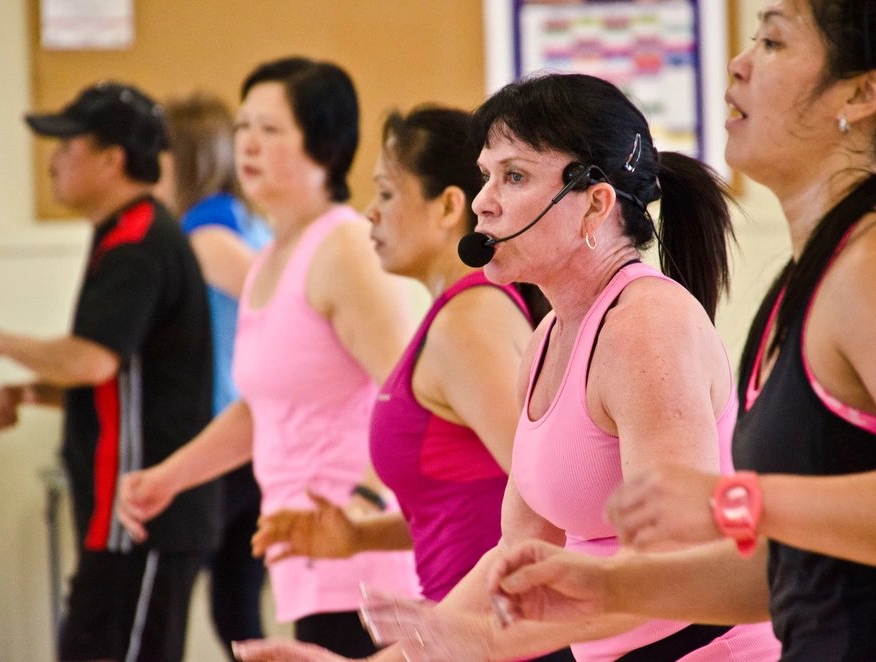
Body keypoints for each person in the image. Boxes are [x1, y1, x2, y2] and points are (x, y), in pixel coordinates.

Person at [234, 73, 782, 662]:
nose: (481, 200)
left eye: (513, 176)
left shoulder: (646, 327)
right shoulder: (550, 335)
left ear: (595, 203)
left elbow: (676, 567)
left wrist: (483, 639)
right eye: (487, 175)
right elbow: (514, 550)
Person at [486, 1, 876, 660]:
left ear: (861, 93)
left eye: (772, 41)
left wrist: (739, 500)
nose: (738, 64)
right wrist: (603, 588)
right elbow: (787, 575)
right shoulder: (818, 274)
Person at [115, 57, 420, 659]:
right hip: (306, 551)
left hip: (361, 549)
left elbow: (413, 393)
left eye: (270, 130)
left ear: (324, 145)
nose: (248, 145)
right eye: (243, 127)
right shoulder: (271, 256)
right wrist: (169, 477)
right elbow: (263, 409)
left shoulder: (342, 249)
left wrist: (363, 499)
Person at [249, 106, 571, 661]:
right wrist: (360, 537)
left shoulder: (468, 325)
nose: (369, 213)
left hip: (502, 639)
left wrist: (405, 653)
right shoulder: (453, 318)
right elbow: (482, 495)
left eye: (387, 193)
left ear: (448, 206)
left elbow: (545, 514)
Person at [0, 81, 219, 662]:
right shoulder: (124, 235)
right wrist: (30, 390)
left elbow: (91, 358)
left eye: (68, 145)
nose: (53, 161)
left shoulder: (140, 241)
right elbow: (122, 381)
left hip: (142, 518)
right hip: (124, 522)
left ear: (111, 159)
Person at [155, 92, 271, 656]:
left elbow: (281, 306)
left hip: (227, 436)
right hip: (246, 436)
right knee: (235, 606)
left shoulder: (205, 233)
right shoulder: (247, 222)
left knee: (189, 597)